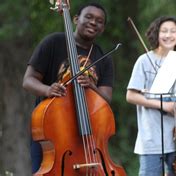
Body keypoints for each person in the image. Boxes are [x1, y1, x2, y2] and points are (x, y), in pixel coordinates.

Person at [22, 3, 112, 173]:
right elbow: (28, 80)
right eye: (89, 17)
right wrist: (47, 90)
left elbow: (106, 99)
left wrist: (92, 86)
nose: (94, 22)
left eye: (99, 21)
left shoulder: (103, 56)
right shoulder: (53, 43)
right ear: (76, 19)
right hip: (53, 131)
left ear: (103, 28)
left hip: (89, 136)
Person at [126, 16, 176, 176]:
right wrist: (163, 105)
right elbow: (131, 95)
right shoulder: (144, 61)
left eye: (173, 31)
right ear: (156, 34)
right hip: (151, 138)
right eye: (164, 31)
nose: (168, 35)